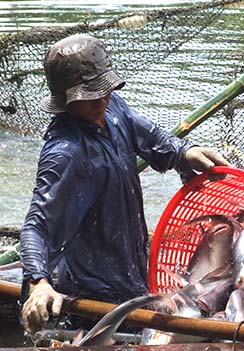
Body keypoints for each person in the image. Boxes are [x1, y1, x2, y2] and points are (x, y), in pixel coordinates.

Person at [19, 34, 229, 333]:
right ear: (67, 98)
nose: (102, 99)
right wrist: (39, 281)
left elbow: (150, 135)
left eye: (104, 90)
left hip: (131, 274)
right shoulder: (65, 153)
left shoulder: (111, 107)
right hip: (94, 295)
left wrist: (184, 152)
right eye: (91, 95)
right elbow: (37, 224)